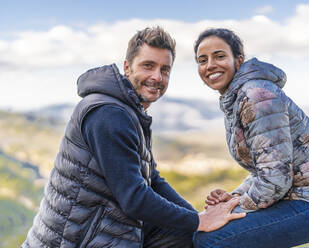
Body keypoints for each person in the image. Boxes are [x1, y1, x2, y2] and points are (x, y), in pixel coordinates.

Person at [22, 26, 245, 248]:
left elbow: (153, 181)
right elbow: (135, 198)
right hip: (75, 241)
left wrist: (198, 216)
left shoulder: (129, 110)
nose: (156, 77)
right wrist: (199, 221)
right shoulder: (109, 114)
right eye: (148, 66)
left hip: (105, 233)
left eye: (165, 69)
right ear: (127, 67)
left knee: (191, 236)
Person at [192, 28, 309, 248]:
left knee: (210, 240)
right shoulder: (237, 97)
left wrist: (235, 203)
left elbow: (276, 179)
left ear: (239, 60)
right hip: (303, 196)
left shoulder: (256, 95)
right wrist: (235, 195)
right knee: (202, 231)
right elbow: (267, 167)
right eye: (202, 60)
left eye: (219, 56)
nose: (210, 65)